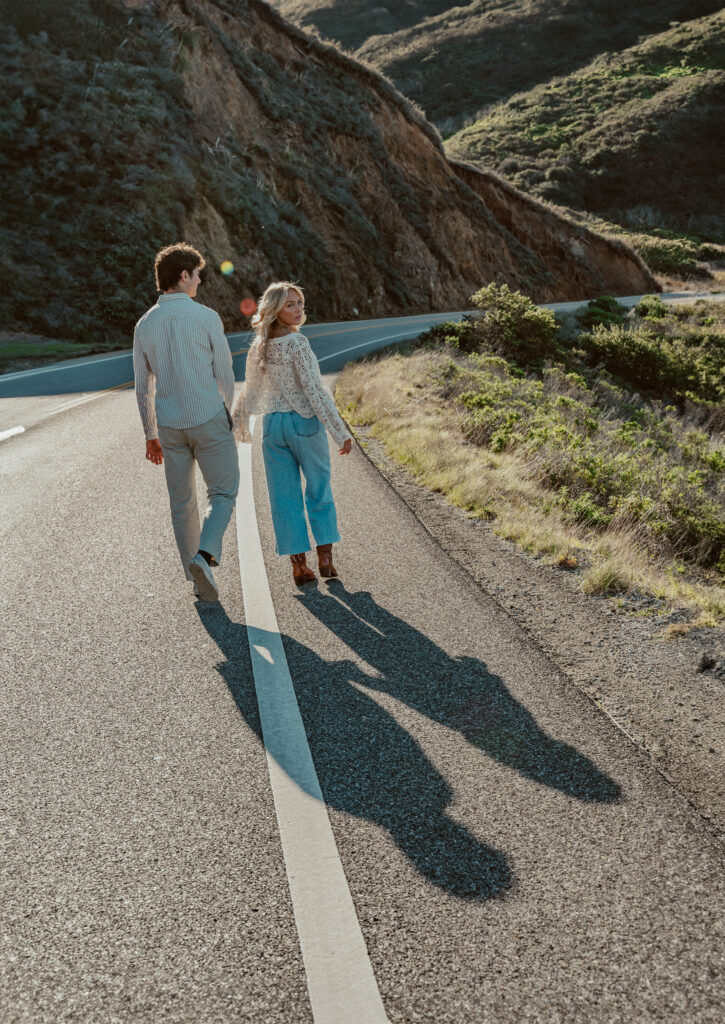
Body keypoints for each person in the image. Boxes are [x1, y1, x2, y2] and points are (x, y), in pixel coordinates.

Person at [133, 243, 239, 603]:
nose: (199, 281)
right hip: (208, 416)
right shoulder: (207, 317)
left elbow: (142, 387)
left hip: (169, 425)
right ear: (183, 275)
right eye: (197, 275)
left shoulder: (144, 325)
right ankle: (204, 556)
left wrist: (150, 434)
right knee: (223, 492)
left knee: (182, 502)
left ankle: (198, 582)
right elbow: (224, 373)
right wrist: (230, 415)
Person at [232, 282, 352, 586]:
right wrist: (339, 431)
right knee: (319, 489)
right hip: (304, 424)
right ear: (275, 309)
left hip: (273, 429)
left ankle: (299, 567)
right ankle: (325, 559)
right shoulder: (297, 343)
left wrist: (237, 420)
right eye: (290, 305)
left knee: (284, 498)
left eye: (300, 303)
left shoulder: (261, 344)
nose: (298, 310)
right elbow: (314, 389)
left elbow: (249, 388)